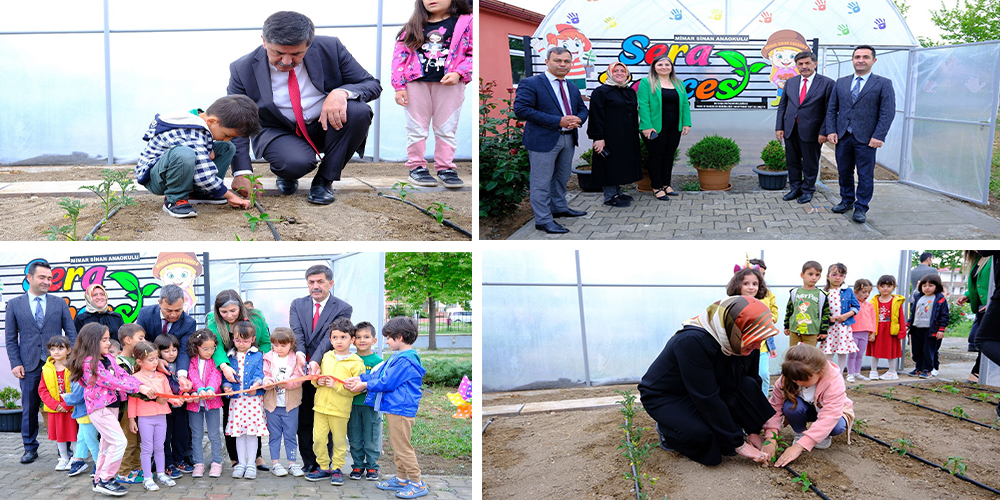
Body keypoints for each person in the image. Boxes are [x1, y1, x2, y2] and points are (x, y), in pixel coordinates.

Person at [228, 11, 383, 205]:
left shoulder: (331, 47)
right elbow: (236, 120)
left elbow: (371, 84)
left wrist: (341, 93)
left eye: (296, 54)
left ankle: (324, 180)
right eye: (278, 53)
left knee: (359, 111)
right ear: (264, 42)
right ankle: (287, 174)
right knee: (293, 164)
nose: (286, 61)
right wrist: (242, 172)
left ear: (308, 45)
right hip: (279, 131)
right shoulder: (242, 69)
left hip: (325, 125)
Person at [637, 297, 779, 466]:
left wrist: (752, 430)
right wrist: (739, 444)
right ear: (733, 330)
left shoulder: (747, 342)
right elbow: (706, 396)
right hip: (668, 396)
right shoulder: (692, 341)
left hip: (710, 387)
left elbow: (750, 381)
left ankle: (725, 431)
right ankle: (668, 430)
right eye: (753, 339)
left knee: (747, 385)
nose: (757, 346)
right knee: (707, 440)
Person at [70, 323, 157, 497]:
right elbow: (110, 380)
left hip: (112, 407)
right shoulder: (89, 363)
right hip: (99, 409)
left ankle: (99, 480)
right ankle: (106, 479)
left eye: (108, 339)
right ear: (92, 341)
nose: (109, 343)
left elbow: (122, 375)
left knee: (107, 445)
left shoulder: (108, 358)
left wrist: (140, 384)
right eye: (104, 340)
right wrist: (138, 388)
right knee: (119, 442)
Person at [392, 0, 473, 189]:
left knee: (446, 128)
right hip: (415, 84)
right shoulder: (413, 25)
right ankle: (416, 167)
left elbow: (472, 52)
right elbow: (399, 56)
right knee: (416, 128)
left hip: (449, 85)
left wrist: (460, 72)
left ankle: (445, 168)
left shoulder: (467, 22)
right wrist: (399, 86)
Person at [345, 317, 429, 498]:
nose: (387, 341)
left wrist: (364, 386)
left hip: (400, 409)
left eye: (389, 338)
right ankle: (401, 479)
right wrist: (361, 379)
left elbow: (387, 382)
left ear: (399, 337)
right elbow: (381, 374)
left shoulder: (406, 359)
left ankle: (417, 482)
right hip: (394, 408)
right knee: (398, 444)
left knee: (402, 447)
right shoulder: (399, 357)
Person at [4, 260, 77, 465]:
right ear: (29, 278)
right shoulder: (15, 304)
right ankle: (29, 447)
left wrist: (71, 360)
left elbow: (70, 332)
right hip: (29, 364)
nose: (47, 282)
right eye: (42, 277)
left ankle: (64, 448)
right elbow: (10, 338)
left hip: (58, 366)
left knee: (63, 406)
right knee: (29, 408)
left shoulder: (58, 303)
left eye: (50, 278)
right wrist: (15, 362)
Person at [135, 95, 257, 217]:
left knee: (226, 147)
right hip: (154, 177)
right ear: (212, 121)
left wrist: (208, 145)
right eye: (226, 135)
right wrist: (231, 196)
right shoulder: (192, 134)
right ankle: (175, 198)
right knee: (184, 154)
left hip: (170, 168)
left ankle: (201, 192)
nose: (226, 139)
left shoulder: (198, 116)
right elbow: (203, 175)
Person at [512, 46, 589, 234]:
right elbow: (521, 110)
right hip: (543, 140)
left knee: (561, 178)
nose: (562, 65)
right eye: (558, 60)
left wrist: (579, 118)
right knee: (541, 182)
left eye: (566, 61)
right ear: (547, 62)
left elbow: (582, 108)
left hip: (568, 139)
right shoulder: (531, 83)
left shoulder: (571, 86)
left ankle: (559, 208)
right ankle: (543, 220)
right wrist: (558, 121)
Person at [289, 264, 353, 474]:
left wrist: (315, 361)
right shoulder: (297, 305)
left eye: (320, 282)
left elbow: (330, 338)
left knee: (328, 418)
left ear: (330, 283)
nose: (315, 286)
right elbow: (297, 332)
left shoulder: (343, 307)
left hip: (326, 371)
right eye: (311, 282)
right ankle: (309, 461)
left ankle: (327, 464)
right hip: (302, 370)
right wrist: (299, 354)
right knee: (305, 418)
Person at [825, 45, 896, 223]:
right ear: (853, 59)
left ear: (874, 60)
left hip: (867, 138)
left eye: (865, 57)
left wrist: (879, 135)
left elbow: (887, 112)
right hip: (843, 136)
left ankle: (861, 207)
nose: (861, 60)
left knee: (865, 174)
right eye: (857, 57)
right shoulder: (841, 82)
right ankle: (847, 200)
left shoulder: (883, 83)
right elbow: (832, 109)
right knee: (844, 171)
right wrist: (831, 130)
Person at [205, 290, 272, 472]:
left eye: (233, 311)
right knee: (230, 414)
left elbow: (266, 342)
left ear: (240, 306)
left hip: (252, 369)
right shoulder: (213, 321)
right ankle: (236, 459)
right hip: (228, 369)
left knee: (254, 414)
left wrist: (257, 359)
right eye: (224, 312)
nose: (229, 315)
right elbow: (216, 347)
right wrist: (225, 367)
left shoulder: (256, 317)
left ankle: (256, 456)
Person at [759, 344, 854, 466]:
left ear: (820, 371)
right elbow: (775, 408)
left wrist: (800, 446)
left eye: (804, 380)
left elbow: (830, 415)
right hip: (806, 409)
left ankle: (822, 436)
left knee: (837, 426)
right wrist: (770, 438)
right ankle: (800, 432)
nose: (799, 383)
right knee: (790, 407)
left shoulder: (833, 380)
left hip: (830, 413)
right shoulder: (786, 379)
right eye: (795, 380)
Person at [305, 318, 364, 485]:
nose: (339, 341)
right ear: (330, 340)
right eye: (335, 337)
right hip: (320, 408)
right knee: (318, 440)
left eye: (343, 337)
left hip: (339, 410)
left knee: (338, 441)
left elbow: (355, 389)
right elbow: (315, 378)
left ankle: (337, 468)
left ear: (352, 339)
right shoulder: (326, 356)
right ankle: (324, 467)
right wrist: (317, 382)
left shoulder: (356, 362)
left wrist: (336, 386)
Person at [775, 51, 834, 204]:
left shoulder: (827, 83)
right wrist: (779, 127)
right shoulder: (791, 82)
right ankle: (795, 188)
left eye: (807, 63)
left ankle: (807, 190)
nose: (804, 66)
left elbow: (830, 110)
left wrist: (824, 131)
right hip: (790, 129)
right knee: (792, 161)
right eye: (800, 64)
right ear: (797, 66)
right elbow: (783, 106)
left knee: (810, 163)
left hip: (813, 132)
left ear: (815, 63)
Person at [127, 341, 180, 491]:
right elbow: (132, 400)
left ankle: (162, 473)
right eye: (151, 359)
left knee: (160, 446)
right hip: (144, 418)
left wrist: (177, 400)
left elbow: (168, 395)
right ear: (139, 361)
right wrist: (132, 419)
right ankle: (148, 477)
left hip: (162, 416)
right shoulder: (135, 378)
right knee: (147, 448)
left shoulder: (162, 377)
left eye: (156, 358)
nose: (155, 362)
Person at [588, 62, 642, 208]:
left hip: (626, 135)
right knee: (609, 164)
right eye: (616, 71)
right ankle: (609, 196)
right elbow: (596, 115)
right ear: (610, 73)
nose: (619, 73)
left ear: (627, 73)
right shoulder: (601, 92)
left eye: (622, 71)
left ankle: (617, 192)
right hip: (608, 136)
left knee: (619, 164)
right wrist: (598, 137)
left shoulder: (628, 91)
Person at [639, 55, 692, 201]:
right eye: (660, 65)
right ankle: (656, 187)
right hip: (654, 128)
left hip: (675, 126)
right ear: (654, 67)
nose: (664, 67)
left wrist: (686, 123)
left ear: (671, 67)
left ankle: (666, 184)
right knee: (656, 156)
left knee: (669, 155)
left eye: (667, 65)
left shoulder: (679, 83)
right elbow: (643, 105)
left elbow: (685, 104)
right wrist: (647, 126)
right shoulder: (646, 83)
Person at [222, 321, 267, 480]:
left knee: (252, 433)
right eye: (238, 340)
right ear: (233, 339)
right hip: (237, 401)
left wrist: (257, 384)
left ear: (253, 339)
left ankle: (250, 464)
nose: (241, 344)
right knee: (239, 433)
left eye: (245, 340)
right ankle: (240, 463)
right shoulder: (230, 356)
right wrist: (226, 387)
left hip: (252, 401)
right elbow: (225, 377)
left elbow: (260, 373)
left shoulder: (258, 355)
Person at [262, 327, 306, 477]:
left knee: (290, 435)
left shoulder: (296, 358)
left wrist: (287, 383)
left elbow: (299, 378)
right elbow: (265, 374)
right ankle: (275, 463)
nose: (279, 349)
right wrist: (267, 381)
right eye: (276, 345)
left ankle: (292, 463)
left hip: (290, 405)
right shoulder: (267, 357)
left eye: (283, 345)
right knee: (274, 435)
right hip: (272, 405)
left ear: (291, 344)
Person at [726, 266, 776, 396]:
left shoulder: (760, 305)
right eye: (746, 283)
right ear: (738, 285)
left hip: (758, 347)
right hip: (737, 349)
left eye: (755, 284)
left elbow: (768, 326)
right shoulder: (733, 304)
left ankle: (761, 399)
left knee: (760, 375)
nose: (751, 287)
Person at [137, 284, 197, 388]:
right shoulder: (145, 314)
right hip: (146, 370)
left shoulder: (189, 323)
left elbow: (184, 350)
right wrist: (155, 360)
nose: (173, 315)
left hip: (173, 371)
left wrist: (182, 376)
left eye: (178, 310)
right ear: (160, 303)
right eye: (168, 310)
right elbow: (140, 343)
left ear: (184, 302)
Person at [185, 329, 225, 479]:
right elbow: (192, 375)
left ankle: (216, 462)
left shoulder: (215, 360)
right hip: (195, 403)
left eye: (213, 348)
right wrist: (199, 389)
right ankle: (198, 463)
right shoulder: (192, 360)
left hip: (213, 403)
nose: (210, 352)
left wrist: (210, 389)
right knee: (197, 435)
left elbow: (217, 375)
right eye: (205, 349)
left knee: (214, 434)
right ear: (197, 347)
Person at [347, 321, 383, 481]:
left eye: (366, 337)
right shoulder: (350, 359)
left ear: (374, 340)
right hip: (352, 404)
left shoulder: (378, 361)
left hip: (370, 405)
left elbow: (381, 382)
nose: (362, 340)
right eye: (358, 337)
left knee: (371, 436)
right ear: (353, 340)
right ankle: (357, 465)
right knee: (354, 436)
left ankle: (372, 467)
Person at [152, 333, 192, 477]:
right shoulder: (157, 367)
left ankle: (179, 460)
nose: (171, 354)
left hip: (180, 408)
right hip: (164, 409)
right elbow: (166, 385)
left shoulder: (181, 365)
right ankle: (167, 464)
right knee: (165, 437)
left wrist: (188, 391)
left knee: (181, 435)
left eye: (174, 350)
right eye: (166, 351)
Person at [37, 335, 78, 471]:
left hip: (71, 409)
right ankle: (64, 458)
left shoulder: (73, 367)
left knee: (74, 435)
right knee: (60, 435)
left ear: (68, 350)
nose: (56, 351)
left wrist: (67, 405)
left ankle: (76, 458)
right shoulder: (46, 369)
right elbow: (43, 390)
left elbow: (79, 388)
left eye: (60, 348)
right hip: (55, 409)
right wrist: (56, 405)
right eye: (53, 349)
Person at [969, 250, 1000, 418]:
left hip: (995, 300)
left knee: (982, 339)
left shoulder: (987, 255)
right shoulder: (978, 260)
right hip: (985, 304)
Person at [115, 324, 147, 485]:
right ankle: (123, 472)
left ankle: (136, 468)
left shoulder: (136, 359)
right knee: (128, 441)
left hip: (137, 407)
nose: (144, 341)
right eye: (140, 338)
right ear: (128, 340)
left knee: (136, 440)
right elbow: (127, 387)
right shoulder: (119, 362)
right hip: (126, 409)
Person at [820, 263, 859, 373]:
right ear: (828, 276)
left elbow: (856, 306)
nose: (838, 278)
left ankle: (840, 374)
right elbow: (820, 310)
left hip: (843, 327)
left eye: (841, 275)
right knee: (828, 350)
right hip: (829, 327)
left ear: (844, 277)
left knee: (842, 351)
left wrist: (845, 316)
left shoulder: (848, 291)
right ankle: (827, 373)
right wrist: (828, 318)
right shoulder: (823, 292)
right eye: (834, 274)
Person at [907, 274, 949, 379]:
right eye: (924, 285)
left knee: (928, 350)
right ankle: (918, 368)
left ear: (937, 286)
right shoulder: (918, 298)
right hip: (917, 328)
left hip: (931, 330)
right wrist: (908, 324)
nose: (927, 288)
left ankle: (928, 369)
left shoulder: (940, 299)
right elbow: (913, 314)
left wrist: (941, 329)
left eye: (930, 285)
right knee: (917, 350)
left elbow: (944, 316)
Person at [958, 250, 991, 382]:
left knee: (984, 341)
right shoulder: (978, 259)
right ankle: (978, 372)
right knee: (978, 340)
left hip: (992, 306)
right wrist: (967, 295)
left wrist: (995, 302)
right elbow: (977, 284)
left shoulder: (995, 257)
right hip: (981, 308)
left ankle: (977, 372)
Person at [867, 275, 907, 380]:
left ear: (894, 287)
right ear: (878, 287)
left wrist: (902, 331)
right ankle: (873, 371)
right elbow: (870, 318)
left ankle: (892, 372)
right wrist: (870, 331)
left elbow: (901, 317)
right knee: (875, 351)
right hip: (877, 329)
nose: (885, 288)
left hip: (891, 330)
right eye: (883, 286)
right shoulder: (873, 302)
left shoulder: (896, 301)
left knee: (891, 351)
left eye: (889, 286)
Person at [783, 261, 831, 348]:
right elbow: (789, 310)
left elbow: (826, 314)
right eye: (810, 274)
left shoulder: (822, 295)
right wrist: (786, 326)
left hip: (812, 332)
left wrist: (824, 331)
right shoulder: (794, 292)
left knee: (809, 356)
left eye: (817, 275)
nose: (814, 278)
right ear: (802, 275)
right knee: (793, 354)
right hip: (795, 331)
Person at [63, 378, 100, 477]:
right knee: (82, 438)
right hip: (83, 413)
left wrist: (66, 398)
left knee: (90, 440)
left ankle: (99, 464)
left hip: (88, 413)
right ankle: (78, 460)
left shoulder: (82, 378)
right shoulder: (77, 377)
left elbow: (77, 397)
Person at [846, 279, 876, 382]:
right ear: (855, 291)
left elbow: (873, 319)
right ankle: (850, 373)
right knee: (852, 354)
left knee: (860, 354)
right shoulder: (852, 305)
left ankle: (857, 372)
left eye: (868, 292)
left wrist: (873, 332)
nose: (866, 294)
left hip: (865, 333)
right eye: (864, 292)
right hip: (853, 332)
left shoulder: (869, 305)